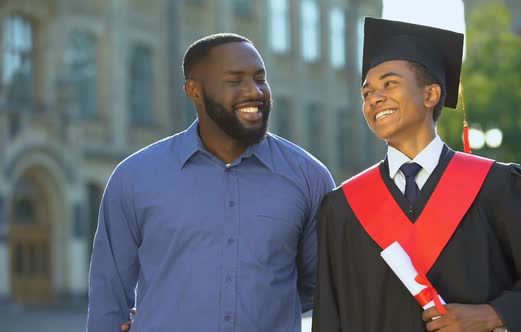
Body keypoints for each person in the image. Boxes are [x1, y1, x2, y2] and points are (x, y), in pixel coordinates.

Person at [312, 17, 521, 332]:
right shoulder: (343, 208)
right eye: (366, 93)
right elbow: (329, 318)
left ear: (431, 95)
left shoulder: (495, 187)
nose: (374, 98)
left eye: (389, 84)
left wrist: (492, 314)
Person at [87, 33, 335, 332]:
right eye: (235, 80)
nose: (254, 91)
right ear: (195, 91)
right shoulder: (135, 178)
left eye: (260, 78)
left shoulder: (308, 177)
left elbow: (319, 286)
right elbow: (108, 294)